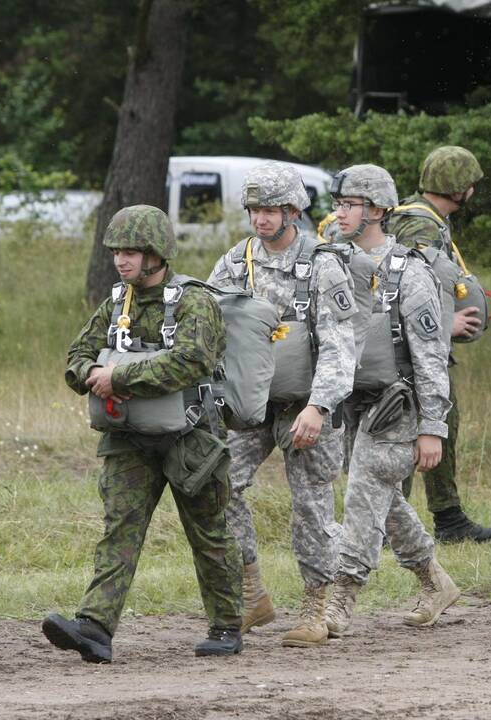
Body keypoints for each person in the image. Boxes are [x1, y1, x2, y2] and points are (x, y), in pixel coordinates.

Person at [43, 204, 243, 662]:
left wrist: (120, 379)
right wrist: (91, 370)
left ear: (157, 254)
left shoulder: (195, 301)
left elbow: (191, 361)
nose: (122, 260)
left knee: (209, 532)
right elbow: (77, 353)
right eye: (116, 251)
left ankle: (227, 625)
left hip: (192, 438)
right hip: (129, 437)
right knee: (120, 529)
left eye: (132, 251)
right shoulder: (117, 302)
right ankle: (94, 627)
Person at [207, 162, 358, 647]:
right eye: (254, 209)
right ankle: (252, 592)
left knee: (311, 506)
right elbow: (210, 327)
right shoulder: (235, 262)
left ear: (293, 210)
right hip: (249, 403)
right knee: (219, 483)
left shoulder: (321, 263)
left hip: (306, 404)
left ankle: (317, 605)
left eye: (271, 209)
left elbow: (340, 346)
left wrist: (319, 407)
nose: (261, 219)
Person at [323, 163, 461, 637]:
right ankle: (433, 579)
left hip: (396, 405)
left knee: (365, 485)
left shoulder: (410, 271)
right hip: (347, 404)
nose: (339, 213)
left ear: (377, 210)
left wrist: (432, 428)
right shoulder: (331, 262)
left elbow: (431, 358)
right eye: (338, 204)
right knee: (380, 494)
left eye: (349, 205)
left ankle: (341, 593)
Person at [388, 145, 491, 543]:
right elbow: (404, 286)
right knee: (410, 427)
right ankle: (395, 523)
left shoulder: (425, 219)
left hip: (420, 342)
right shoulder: (420, 227)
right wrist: (445, 322)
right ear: (462, 188)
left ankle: (445, 517)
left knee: (441, 422)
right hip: (410, 347)